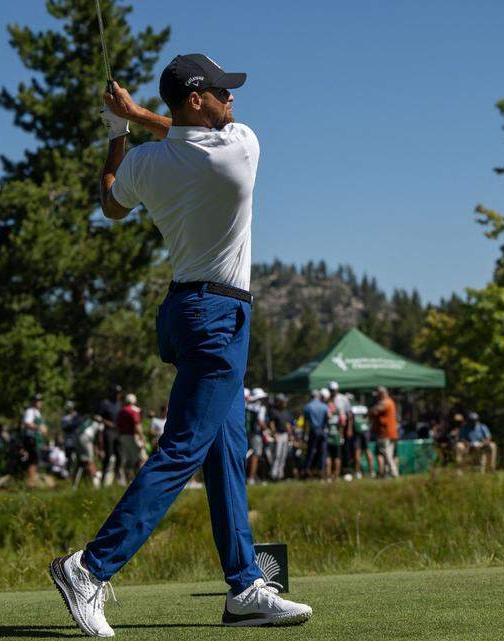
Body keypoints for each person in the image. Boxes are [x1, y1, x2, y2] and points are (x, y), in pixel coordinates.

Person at [49, 54, 311, 637]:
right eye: (223, 91)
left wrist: (118, 131)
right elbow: (189, 139)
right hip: (219, 316)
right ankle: (88, 568)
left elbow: (111, 203)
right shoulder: (240, 146)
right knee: (185, 448)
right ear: (198, 100)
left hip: (184, 312)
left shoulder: (147, 162)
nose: (233, 101)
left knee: (225, 450)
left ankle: (244, 586)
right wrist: (137, 115)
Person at [96, 385, 123, 487]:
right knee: (108, 455)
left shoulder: (120, 404)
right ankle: (103, 477)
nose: (117, 395)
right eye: (116, 393)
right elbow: (98, 417)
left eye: (119, 393)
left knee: (119, 455)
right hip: (109, 431)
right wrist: (107, 422)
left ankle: (117, 475)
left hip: (118, 432)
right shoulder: (105, 403)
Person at [371, 387, 399, 478]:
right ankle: (388, 473)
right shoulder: (389, 402)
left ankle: (393, 472)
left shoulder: (386, 402)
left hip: (386, 433)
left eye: (378, 395)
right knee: (389, 454)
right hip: (388, 433)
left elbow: (375, 411)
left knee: (387, 454)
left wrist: (369, 412)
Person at [302, 389, 330, 480]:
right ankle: (321, 472)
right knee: (322, 452)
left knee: (310, 452)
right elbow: (328, 418)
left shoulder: (307, 406)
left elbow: (306, 423)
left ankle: (307, 471)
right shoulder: (324, 406)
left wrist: (303, 435)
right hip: (323, 430)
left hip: (313, 430)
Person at [116, 393, 143, 482]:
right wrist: (142, 437)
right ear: (134, 401)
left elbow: (118, 425)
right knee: (139, 458)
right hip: (132, 436)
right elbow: (137, 425)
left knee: (127, 459)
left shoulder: (121, 411)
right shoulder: (133, 411)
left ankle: (127, 480)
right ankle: (138, 480)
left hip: (122, 437)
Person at [21, 394, 47, 482]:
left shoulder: (38, 413)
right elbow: (27, 423)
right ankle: (30, 481)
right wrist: (39, 428)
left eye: (39, 401)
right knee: (33, 459)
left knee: (35, 459)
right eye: (36, 401)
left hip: (36, 439)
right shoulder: (30, 411)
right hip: (31, 438)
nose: (38, 403)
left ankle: (32, 479)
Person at [245, 388, 268, 485]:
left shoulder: (247, 406)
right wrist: (267, 430)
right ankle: (251, 478)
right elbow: (261, 421)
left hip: (246, 433)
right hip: (256, 434)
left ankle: (248, 476)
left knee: (247, 454)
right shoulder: (260, 408)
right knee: (255, 456)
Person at [268, 395, 292, 481]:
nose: (285, 403)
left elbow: (288, 425)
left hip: (285, 435)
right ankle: (273, 474)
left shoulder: (286, 412)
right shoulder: (273, 411)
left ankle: (280, 474)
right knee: (277, 455)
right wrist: (274, 435)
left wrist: (290, 435)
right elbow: (272, 424)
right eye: (283, 401)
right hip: (278, 434)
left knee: (283, 455)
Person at [322, 389, 342, 482]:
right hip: (336, 436)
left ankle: (329, 476)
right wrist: (341, 435)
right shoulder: (338, 411)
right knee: (336, 457)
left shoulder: (325, 411)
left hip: (328, 436)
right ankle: (336, 476)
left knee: (328, 457)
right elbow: (342, 424)